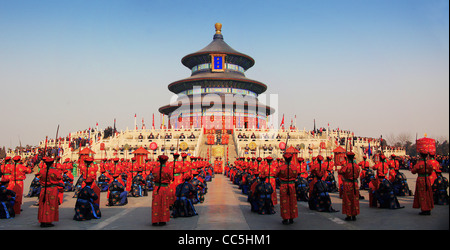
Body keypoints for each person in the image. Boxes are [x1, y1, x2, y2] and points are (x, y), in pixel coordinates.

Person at [38, 157, 63, 227]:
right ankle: (48, 221)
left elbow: (39, 178)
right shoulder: (55, 171)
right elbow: (60, 177)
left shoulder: (42, 171)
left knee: (43, 204)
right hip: (52, 189)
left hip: (43, 189)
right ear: (52, 163)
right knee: (51, 205)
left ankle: (42, 220)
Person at [275, 153, 298, 225]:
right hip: (292, 185)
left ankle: (285, 218)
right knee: (292, 201)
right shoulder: (294, 167)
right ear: (291, 159)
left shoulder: (281, 167)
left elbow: (276, 174)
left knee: (284, 202)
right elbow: (296, 175)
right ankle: (292, 217)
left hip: (284, 185)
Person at [151, 155, 173, 226]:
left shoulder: (154, 168)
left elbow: (153, 176)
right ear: (166, 161)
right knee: (164, 203)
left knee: (156, 203)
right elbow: (171, 177)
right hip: (164, 188)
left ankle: (155, 220)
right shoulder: (168, 169)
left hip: (156, 188)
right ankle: (162, 220)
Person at [338, 152, 360, 221]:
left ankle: (349, 215)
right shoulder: (357, 166)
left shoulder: (347, 166)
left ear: (347, 158)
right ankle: (354, 214)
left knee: (348, 199)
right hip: (355, 184)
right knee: (354, 198)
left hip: (348, 184)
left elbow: (340, 171)